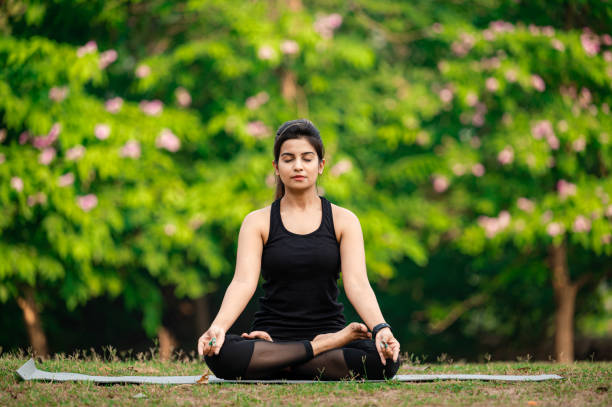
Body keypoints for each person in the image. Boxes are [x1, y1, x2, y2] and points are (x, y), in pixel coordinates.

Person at [197, 119, 401, 380]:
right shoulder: (257, 222)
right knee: (219, 354)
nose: (298, 166)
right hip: (272, 336)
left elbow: (358, 284)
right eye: (288, 159)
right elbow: (242, 282)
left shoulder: (343, 220)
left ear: (321, 165)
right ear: (276, 167)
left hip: (328, 332)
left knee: (384, 362)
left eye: (307, 158)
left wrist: (381, 328)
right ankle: (314, 350)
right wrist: (218, 327)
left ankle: (277, 362)